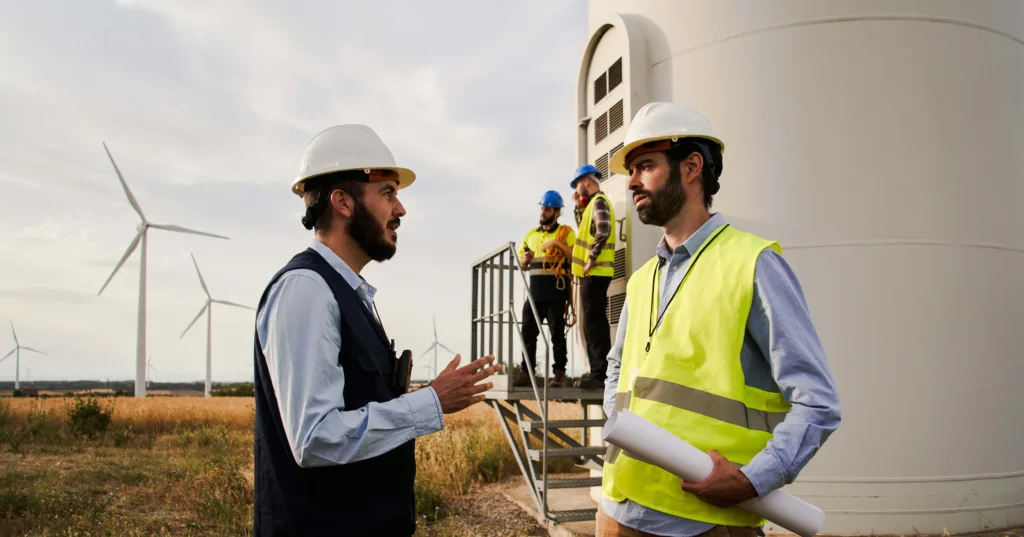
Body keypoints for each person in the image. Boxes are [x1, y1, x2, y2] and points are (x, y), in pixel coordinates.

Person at [597, 102, 842, 537]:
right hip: (620, 511)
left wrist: (755, 479)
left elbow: (817, 401)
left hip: (704, 522)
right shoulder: (641, 281)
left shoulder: (753, 262)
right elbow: (618, 368)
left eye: (646, 165)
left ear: (691, 167)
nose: (631, 181)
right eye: (631, 170)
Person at [252, 124, 502, 537]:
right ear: (343, 202)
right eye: (387, 193)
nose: (400, 209)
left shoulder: (349, 293)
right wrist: (431, 402)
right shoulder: (306, 290)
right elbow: (315, 438)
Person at [514, 190, 576, 388]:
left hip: (556, 291)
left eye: (547, 209)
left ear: (557, 212)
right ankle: (527, 372)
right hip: (535, 293)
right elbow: (521, 263)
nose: (543, 212)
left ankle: (558, 374)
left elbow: (574, 255)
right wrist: (525, 260)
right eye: (542, 208)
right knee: (528, 333)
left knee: (557, 334)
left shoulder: (565, 233)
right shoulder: (530, 235)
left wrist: (557, 243)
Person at [569, 164, 616, 390]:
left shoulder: (598, 202)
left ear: (586, 181)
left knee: (594, 323)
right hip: (592, 274)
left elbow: (603, 230)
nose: (577, 190)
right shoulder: (591, 205)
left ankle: (600, 373)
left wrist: (591, 258)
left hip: (595, 272)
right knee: (592, 322)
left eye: (577, 185)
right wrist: (577, 205)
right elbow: (585, 229)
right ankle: (598, 371)